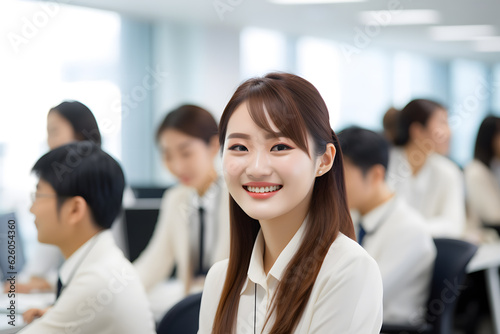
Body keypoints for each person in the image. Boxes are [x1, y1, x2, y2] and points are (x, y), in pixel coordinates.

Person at [199, 73, 383, 333]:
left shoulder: (348, 270)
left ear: (324, 160)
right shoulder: (220, 279)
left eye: (280, 147)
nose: (257, 168)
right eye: (239, 147)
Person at [20, 141, 155, 334]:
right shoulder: (102, 265)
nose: (31, 209)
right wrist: (58, 313)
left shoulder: (96, 281)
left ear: (75, 209)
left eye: (39, 195)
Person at [339, 126, 436, 325]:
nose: (333, 186)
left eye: (341, 177)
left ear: (375, 175)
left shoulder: (410, 230)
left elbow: (362, 297)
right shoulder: (356, 217)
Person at [4, 101, 103, 294]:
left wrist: (46, 282)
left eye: (54, 132)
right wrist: (29, 281)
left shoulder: (102, 184)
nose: (50, 142)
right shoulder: (58, 185)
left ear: (81, 134)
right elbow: (39, 265)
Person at [133, 105, 230, 298]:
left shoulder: (236, 196)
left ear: (213, 146)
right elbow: (153, 264)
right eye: (167, 155)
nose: (177, 166)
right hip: (191, 310)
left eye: (186, 153)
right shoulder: (175, 199)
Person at [386, 99, 465, 237]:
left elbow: (454, 225)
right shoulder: (384, 165)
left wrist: (410, 230)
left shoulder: (448, 171)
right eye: (442, 123)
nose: (449, 132)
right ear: (417, 130)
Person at [464, 115, 500, 242]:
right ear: (490, 138)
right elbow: (493, 216)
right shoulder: (475, 171)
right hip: (482, 240)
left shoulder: (494, 168)